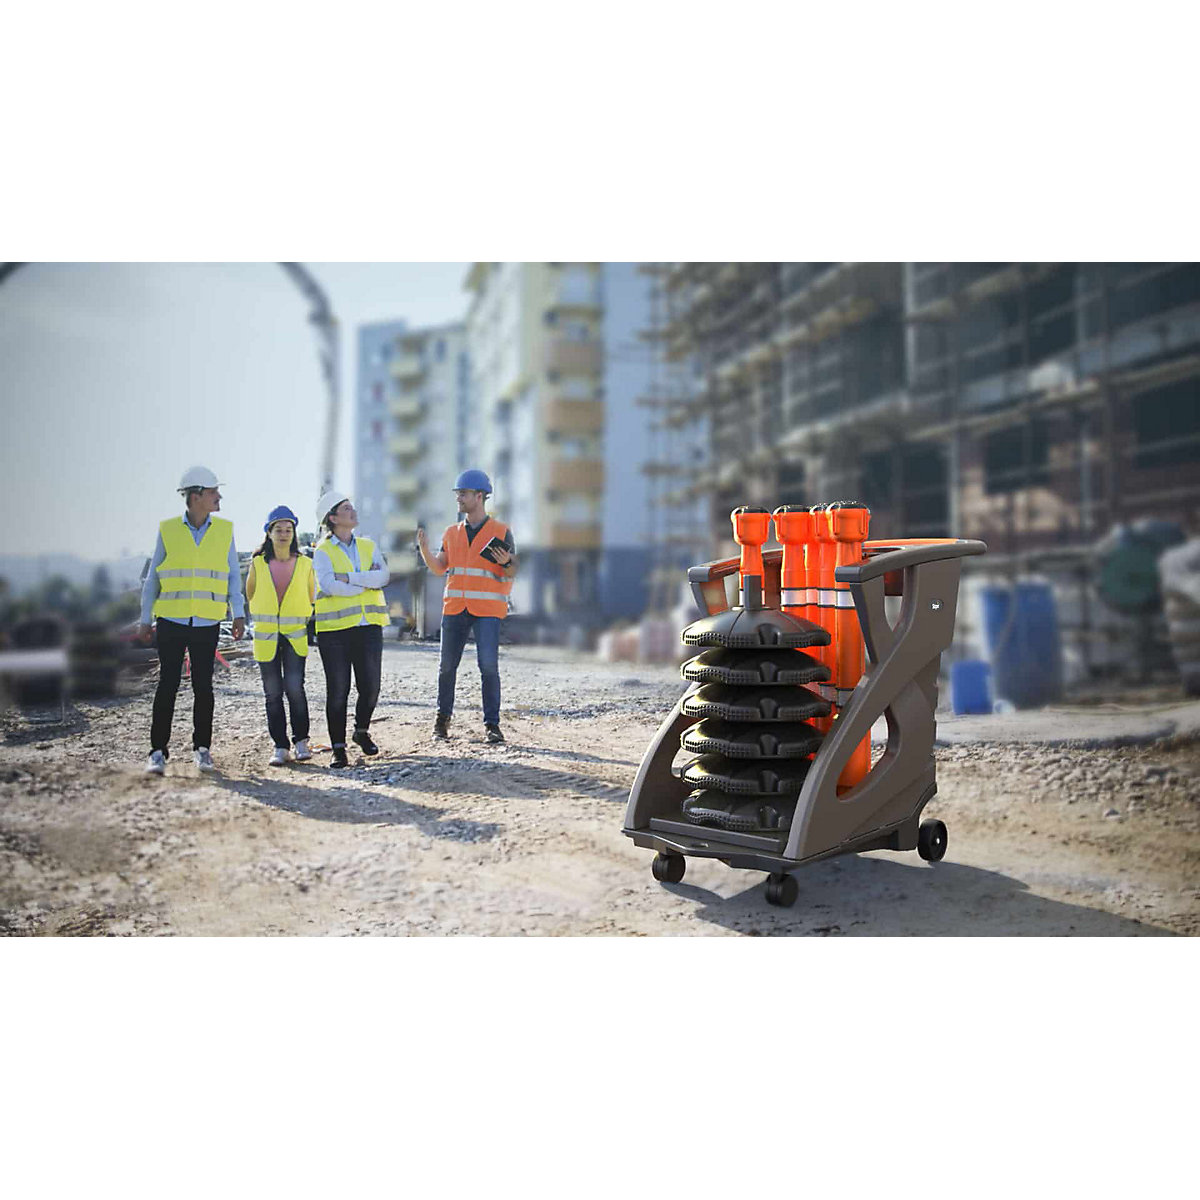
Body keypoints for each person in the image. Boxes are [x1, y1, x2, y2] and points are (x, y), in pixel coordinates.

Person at [137, 466, 245, 774]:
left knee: (203, 686)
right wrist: (146, 619)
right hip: (171, 620)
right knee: (167, 684)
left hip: (207, 621)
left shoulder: (224, 530)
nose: (219, 496)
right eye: (213, 492)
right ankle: (157, 752)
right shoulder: (168, 529)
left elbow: (234, 576)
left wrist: (238, 613)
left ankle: (202, 749)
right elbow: (153, 578)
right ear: (196, 496)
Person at [416, 469, 517, 744]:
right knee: (447, 666)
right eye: (457, 494)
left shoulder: (501, 532)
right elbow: (439, 568)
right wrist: (424, 550)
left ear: (480, 496)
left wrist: (508, 561)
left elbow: (512, 572)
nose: (458, 498)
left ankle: (492, 726)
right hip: (455, 608)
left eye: (463, 493)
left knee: (488, 667)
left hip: (487, 611)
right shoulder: (451, 533)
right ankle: (442, 721)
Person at [312, 490, 390, 769]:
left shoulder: (368, 545)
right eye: (346, 508)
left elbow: (383, 576)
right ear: (332, 518)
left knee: (371, 686)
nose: (353, 510)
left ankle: (361, 730)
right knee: (338, 690)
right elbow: (327, 585)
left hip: (368, 625)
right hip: (334, 631)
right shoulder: (322, 552)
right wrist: (364, 583)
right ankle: (338, 748)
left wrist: (350, 578)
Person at [246, 506, 315, 767]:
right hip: (266, 639)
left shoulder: (306, 563)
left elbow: (311, 596)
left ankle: (301, 742)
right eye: (279, 529)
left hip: (295, 637)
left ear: (294, 532)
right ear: (269, 532)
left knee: (295, 689)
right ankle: (280, 746)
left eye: (289, 529)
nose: (284, 534)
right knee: (272, 693)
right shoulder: (257, 564)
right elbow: (250, 594)